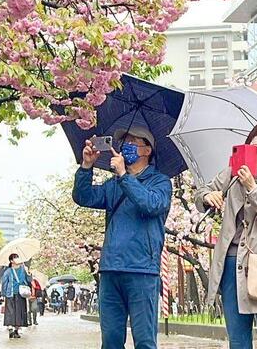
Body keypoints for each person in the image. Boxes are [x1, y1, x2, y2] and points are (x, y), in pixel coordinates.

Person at [194, 119, 257, 349]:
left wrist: (253, 188)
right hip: (232, 262)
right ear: (251, 138)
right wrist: (207, 197)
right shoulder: (233, 171)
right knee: (238, 340)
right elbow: (203, 191)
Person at [72, 126, 172, 349]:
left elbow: (151, 205)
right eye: (124, 141)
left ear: (147, 150)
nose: (125, 146)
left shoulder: (160, 182)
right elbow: (83, 197)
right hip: (111, 269)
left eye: (132, 141)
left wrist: (125, 176)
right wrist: (86, 166)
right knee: (111, 341)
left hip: (142, 270)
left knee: (144, 341)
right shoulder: (113, 184)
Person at [1, 253, 31, 339]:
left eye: (17, 257)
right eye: (15, 258)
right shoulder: (8, 271)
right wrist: (3, 294)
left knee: (19, 313)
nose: (17, 259)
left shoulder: (23, 269)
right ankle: (10, 329)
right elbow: (4, 283)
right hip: (10, 294)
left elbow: (28, 281)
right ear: (11, 261)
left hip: (21, 294)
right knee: (10, 312)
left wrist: (28, 273)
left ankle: (16, 330)